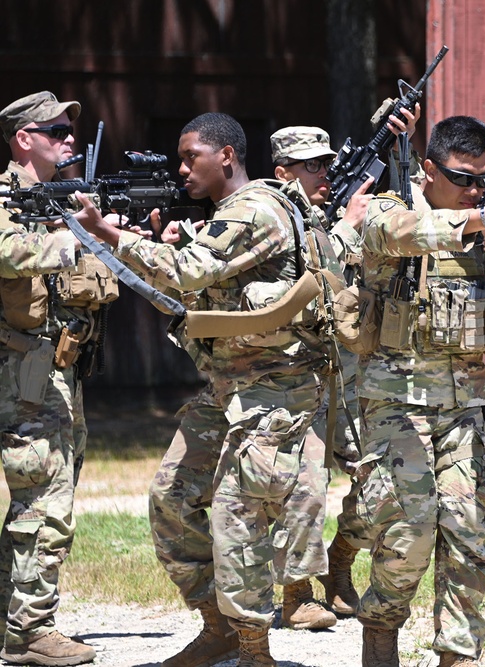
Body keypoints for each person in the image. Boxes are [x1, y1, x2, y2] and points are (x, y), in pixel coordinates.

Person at [73, 111, 344, 667]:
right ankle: (217, 627)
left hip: (273, 391)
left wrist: (109, 234)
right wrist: (149, 246)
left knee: (237, 515)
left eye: (189, 155)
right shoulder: (229, 214)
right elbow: (194, 290)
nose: (181, 169)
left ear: (226, 156)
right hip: (231, 388)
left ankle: (253, 649)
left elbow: (192, 270)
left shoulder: (257, 209)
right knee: (172, 499)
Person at [356, 115, 485, 667]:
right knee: (406, 530)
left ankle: (458, 656)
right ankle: (381, 631)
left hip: (464, 406)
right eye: (463, 178)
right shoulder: (390, 205)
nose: (476, 189)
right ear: (429, 169)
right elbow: (396, 235)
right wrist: (477, 219)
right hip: (395, 403)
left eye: (484, 179)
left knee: (468, 535)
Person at [268, 110, 418, 625]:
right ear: (284, 169)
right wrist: (348, 231)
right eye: (311, 167)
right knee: (302, 483)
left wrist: (400, 141)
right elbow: (308, 282)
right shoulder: (274, 217)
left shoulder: (333, 211)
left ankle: (342, 560)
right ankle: (296, 593)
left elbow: (414, 209)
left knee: (379, 477)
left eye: (328, 165)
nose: (324, 175)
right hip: (299, 369)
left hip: (353, 367)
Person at [0, 90, 118, 666]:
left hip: (56, 370)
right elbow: (8, 252)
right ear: (24, 139)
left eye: (71, 130)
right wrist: (72, 240)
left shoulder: (53, 201)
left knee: (45, 494)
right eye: (55, 130)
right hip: (21, 370)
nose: (69, 138)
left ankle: (11, 620)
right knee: (43, 500)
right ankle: (30, 632)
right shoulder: (3, 198)